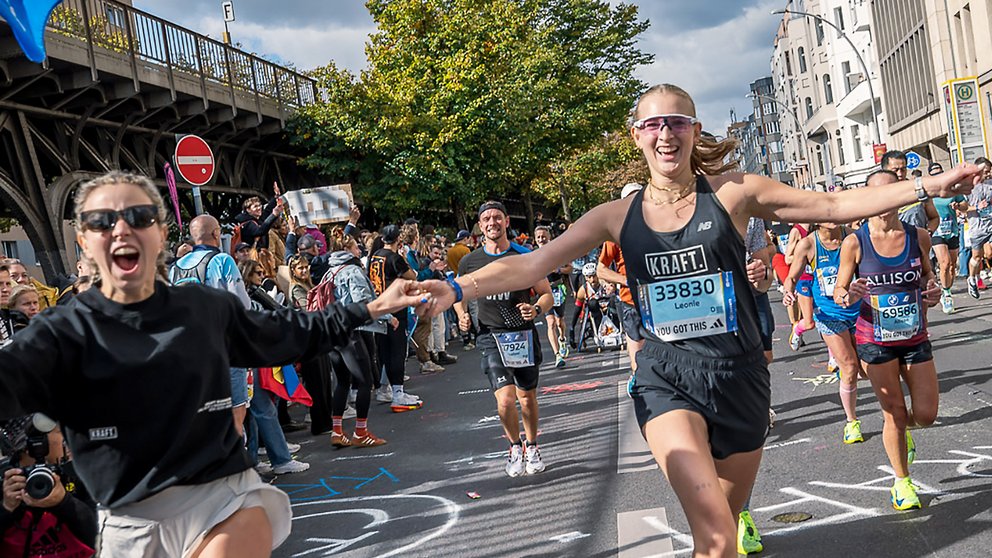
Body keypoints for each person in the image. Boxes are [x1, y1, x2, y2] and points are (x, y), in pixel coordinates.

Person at [419, 84, 981, 556]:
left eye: (677, 122)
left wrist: (927, 186)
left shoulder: (734, 192)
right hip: (667, 377)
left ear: (694, 129)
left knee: (718, 540)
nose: (666, 134)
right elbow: (532, 262)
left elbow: (829, 207)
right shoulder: (615, 216)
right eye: (653, 124)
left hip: (740, 378)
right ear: (636, 134)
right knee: (715, 531)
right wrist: (454, 285)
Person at [0, 171, 426, 557]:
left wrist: (370, 307)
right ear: (84, 241)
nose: (121, 228)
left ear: (162, 232)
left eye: (139, 215)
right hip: (126, 522)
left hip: (220, 501)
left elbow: (292, 332)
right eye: (102, 221)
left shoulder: (203, 308)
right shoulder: (61, 332)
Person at [834, 169, 942, 511]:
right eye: (875, 196)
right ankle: (901, 482)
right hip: (873, 338)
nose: (883, 204)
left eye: (889, 194)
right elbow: (839, 290)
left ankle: (899, 434)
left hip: (914, 334)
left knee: (925, 414)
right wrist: (847, 293)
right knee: (893, 413)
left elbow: (928, 278)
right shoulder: (855, 242)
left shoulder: (918, 236)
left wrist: (933, 290)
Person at [455, 201, 554, 477]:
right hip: (490, 336)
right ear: (480, 225)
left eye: (497, 218)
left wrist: (535, 309)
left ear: (507, 221)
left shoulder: (525, 255)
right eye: (486, 219)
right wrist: (462, 313)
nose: (492, 223)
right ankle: (514, 447)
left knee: (526, 398)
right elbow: (456, 293)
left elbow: (547, 294)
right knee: (506, 400)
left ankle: (532, 446)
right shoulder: (470, 261)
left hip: (521, 335)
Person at [782, 221, 864, 444]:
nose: (832, 217)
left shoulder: (854, 237)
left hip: (860, 310)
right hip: (828, 314)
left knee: (865, 371)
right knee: (849, 366)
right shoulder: (809, 244)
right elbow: (792, 276)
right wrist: (788, 291)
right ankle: (851, 423)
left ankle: (845, 379)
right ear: (816, 219)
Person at [323, 235, 393, 448]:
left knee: (342, 381)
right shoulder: (352, 271)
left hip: (331, 330)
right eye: (355, 245)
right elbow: (363, 303)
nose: (359, 249)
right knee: (365, 381)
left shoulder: (329, 271)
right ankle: (360, 432)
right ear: (347, 248)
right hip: (350, 332)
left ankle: (337, 430)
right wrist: (388, 316)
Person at [1, 417, 97, 557]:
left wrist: (64, 502)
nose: (68, 439)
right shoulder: (5, 480)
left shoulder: (77, 474)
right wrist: (6, 508)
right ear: (31, 445)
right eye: (60, 432)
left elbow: (100, 536)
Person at [368, 224, 423, 411]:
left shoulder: (374, 257)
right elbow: (412, 276)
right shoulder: (394, 258)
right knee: (397, 352)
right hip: (395, 309)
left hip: (379, 307)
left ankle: (385, 389)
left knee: (384, 352)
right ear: (398, 239)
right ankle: (398, 393)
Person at [598, 183, 646, 372]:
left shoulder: (660, 225)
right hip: (631, 301)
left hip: (660, 300)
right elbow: (601, 270)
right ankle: (638, 380)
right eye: (629, 199)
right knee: (638, 355)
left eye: (639, 197)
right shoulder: (616, 231)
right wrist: (626, 281)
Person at [927, 162, 967, 312]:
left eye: (940, 173)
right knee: (944, 262)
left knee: (952, 266)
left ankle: (946, 288)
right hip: (937, 232)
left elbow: (964, 205)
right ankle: (947, 295)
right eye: (935, 174)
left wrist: (958, 207)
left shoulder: (952, 190)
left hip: (952, 229)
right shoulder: (929, 194)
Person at [534, 225, 572, 367]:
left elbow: (570, 268)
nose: (541, 239)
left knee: (559, 322)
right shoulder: (534, 255)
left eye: (543, 236)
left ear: (549, 237)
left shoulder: (557, 252)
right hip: (545, 292)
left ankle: (562, 338)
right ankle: (557, 355)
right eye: (538, 237)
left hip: (558, 288)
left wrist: (559, 269)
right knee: (550, 323)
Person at [882, 150, 939, 233]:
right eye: (895, 170)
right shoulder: (880, 196)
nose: (900, 174)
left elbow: (934, 218)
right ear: (885, 170)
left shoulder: (919, 190)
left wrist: (928, 233)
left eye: (903, 169)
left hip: (917, 243)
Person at [783, 223, 815, 352]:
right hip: (803, 278)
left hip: (819, 278)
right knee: (810, 322)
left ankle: (833, 359)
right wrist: (803, 256)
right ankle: (797, 329)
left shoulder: (820, 228)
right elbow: (787, 258)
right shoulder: (796, 231)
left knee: (828, 319)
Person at [966, 157, 992, 299]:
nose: (988, 174)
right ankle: (972, 279)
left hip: (991, 223)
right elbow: (962, 208)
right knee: (977, 257)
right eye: (986, 172)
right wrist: (976, 207)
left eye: (990, 172)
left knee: (989, 254)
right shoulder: (968, 186)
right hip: (977, 227)